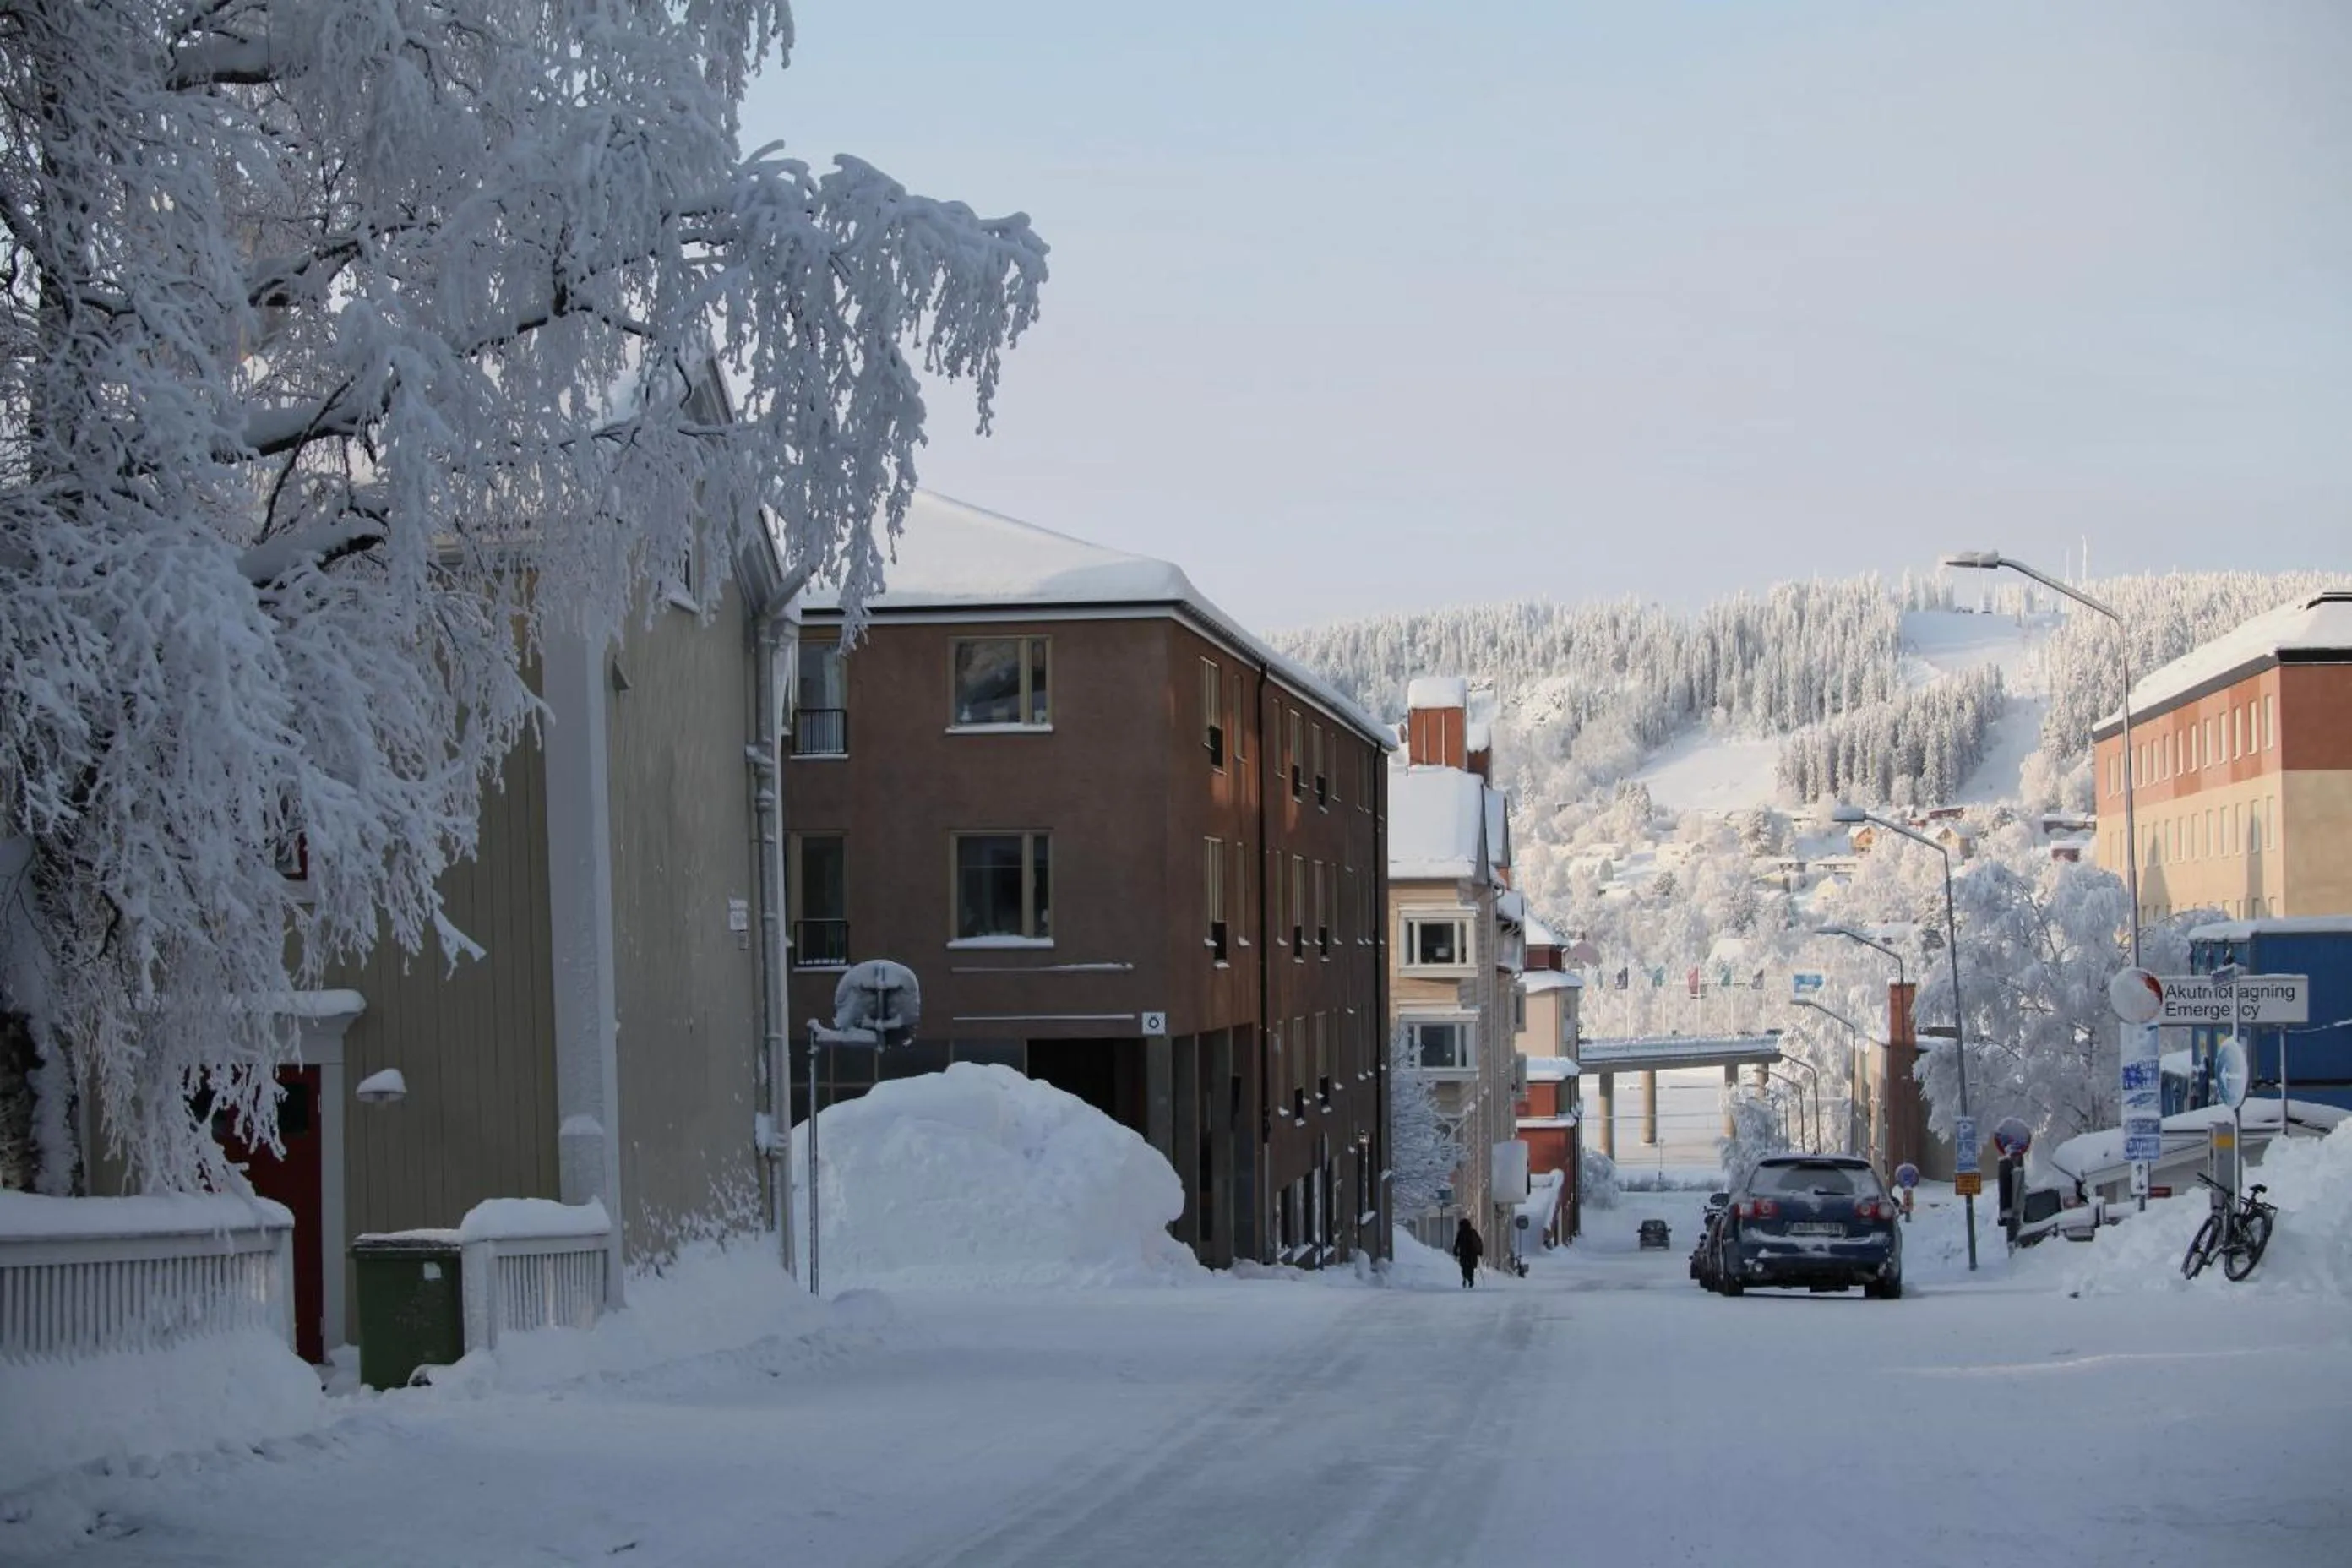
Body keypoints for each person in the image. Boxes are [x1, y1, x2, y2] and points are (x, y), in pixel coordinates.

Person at [1452, 1217, 1484, 1288]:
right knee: (1470, 1268)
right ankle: (1470, 1279)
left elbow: (1457, 1243)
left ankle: (1465, 1278)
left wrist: (1455, 1251)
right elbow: (1479, 1242)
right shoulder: (1473, 1232)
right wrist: (1479, 1252)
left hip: (1464, 1254)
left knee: (1464, 1268)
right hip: (1472, 1255)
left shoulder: (1461, 1233)